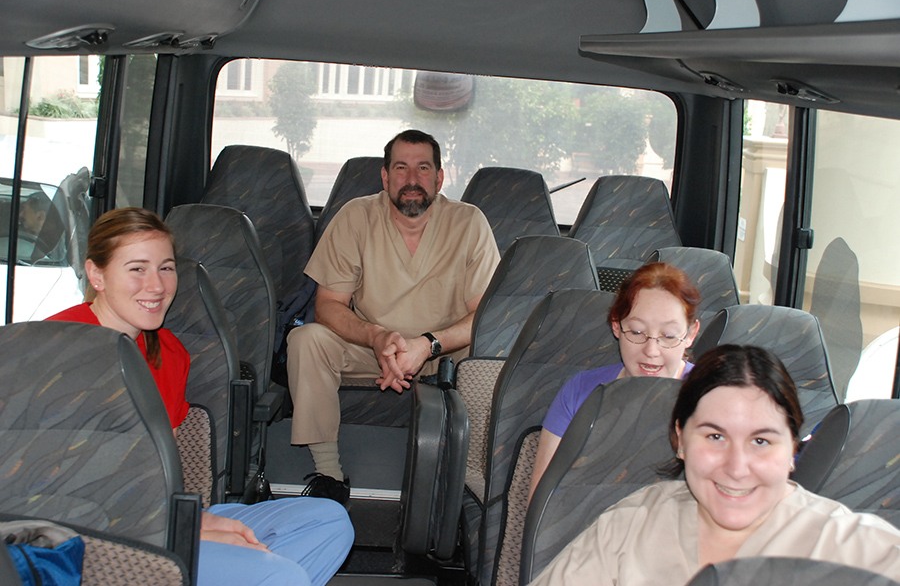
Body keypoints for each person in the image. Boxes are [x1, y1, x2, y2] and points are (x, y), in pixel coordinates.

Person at [47, 207, 354, 586]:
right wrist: (185, 529)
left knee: (330, 521)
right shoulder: (56, 343)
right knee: (279, 573)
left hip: (163, 518)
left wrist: (194, 521)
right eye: (137, 269)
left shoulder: (170, 352)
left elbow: (165, 469)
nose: (157, 286)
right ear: (97, 274)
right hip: (92, 536)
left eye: (166, 267)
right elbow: (51, 484)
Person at [528, 344, 900, 586]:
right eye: (715, 437)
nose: (737, 468)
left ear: (792, 450)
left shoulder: (859, 551)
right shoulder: (628, 528)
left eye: (761, 441)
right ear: (681, 441)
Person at [286, 129, 501, 503]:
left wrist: (427, 345)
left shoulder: (469, 223)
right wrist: (375, 337)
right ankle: (328, 476)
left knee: (492, 358)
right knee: (306, 340)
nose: (412, 179)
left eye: (423, 168)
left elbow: (483, 315)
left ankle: (469, 486)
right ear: (385, 177)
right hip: (371, 350)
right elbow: (329, 305)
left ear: (439, 177)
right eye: (401, 168)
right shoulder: (356, 217)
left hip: (445, 355)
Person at [529, 262, 701, 499]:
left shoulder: (711, 397)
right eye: (637, 332)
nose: (651, 350)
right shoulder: (580, 392)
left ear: (690, 334)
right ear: (616, 326)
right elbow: (542, 499)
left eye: (669, 336)